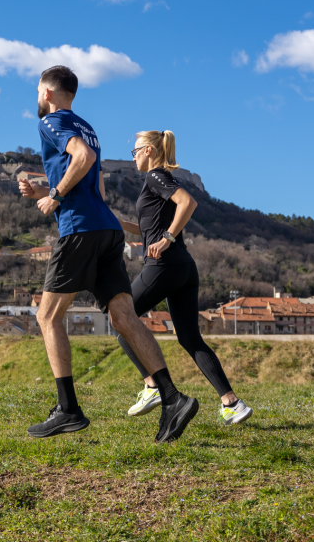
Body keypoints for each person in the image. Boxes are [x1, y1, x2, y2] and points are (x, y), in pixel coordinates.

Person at [19, 66, 199, 443]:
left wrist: (55, 196)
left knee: (47, 316)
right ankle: (172, 399)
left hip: (80, 230)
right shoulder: (87, 127)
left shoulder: (51, 122)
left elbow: (81, 158)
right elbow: (94, 187)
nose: (37, 97)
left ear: (47, 93)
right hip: (107, 229)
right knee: (124, 317)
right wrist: (45, 190)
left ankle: (68, 409)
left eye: (37, 91)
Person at [116, 131, 253, 426]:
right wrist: (121, 224)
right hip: (184, 267)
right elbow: (149, 229)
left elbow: (187, 202)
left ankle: (153, 386)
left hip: (164, 264)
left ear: (149, 150)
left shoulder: (155, 176)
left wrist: (166, 238)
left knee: (122, 320)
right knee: (190, 338)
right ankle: (232, 404)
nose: (133, 157)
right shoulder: (158, 181)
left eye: (136, 151)